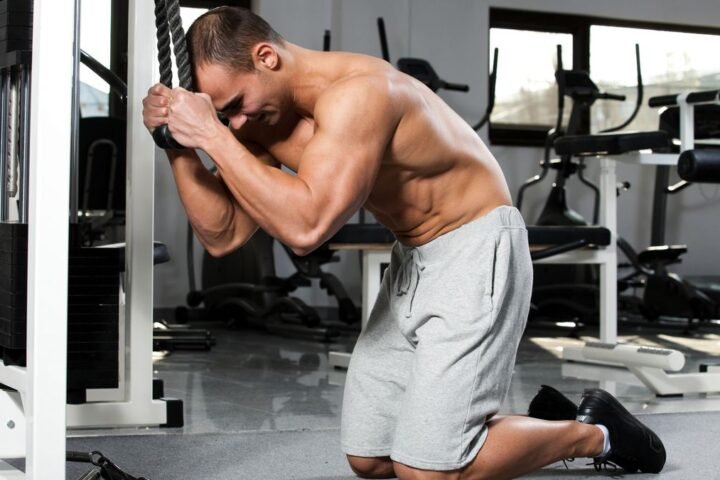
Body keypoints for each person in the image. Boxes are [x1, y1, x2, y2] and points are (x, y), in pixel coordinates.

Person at [142, 6, 665, 479]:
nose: (234, 123)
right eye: (223, 115)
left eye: (234, 106)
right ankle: (532, 427)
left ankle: (596, 432)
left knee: (427, 473)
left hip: (476, 250)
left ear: (266, 57)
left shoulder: (360, 94)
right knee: (371, 458)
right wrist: (178, 144)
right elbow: (223, 234)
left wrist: (211, 135)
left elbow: (307, 228)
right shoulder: (260, 118)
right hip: (413, 261)